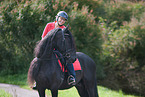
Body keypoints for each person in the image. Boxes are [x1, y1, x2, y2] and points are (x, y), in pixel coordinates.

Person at [32, 11, 76, 90]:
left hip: (58, 50)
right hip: (46, 49)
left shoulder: (63, 29)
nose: (62, 21)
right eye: (61, 19)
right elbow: (43, 38)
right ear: (57, 17)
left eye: (64, 20)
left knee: (67, 58)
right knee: (37, 59)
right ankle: (36, 80)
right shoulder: (49, 25)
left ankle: (71, 76)